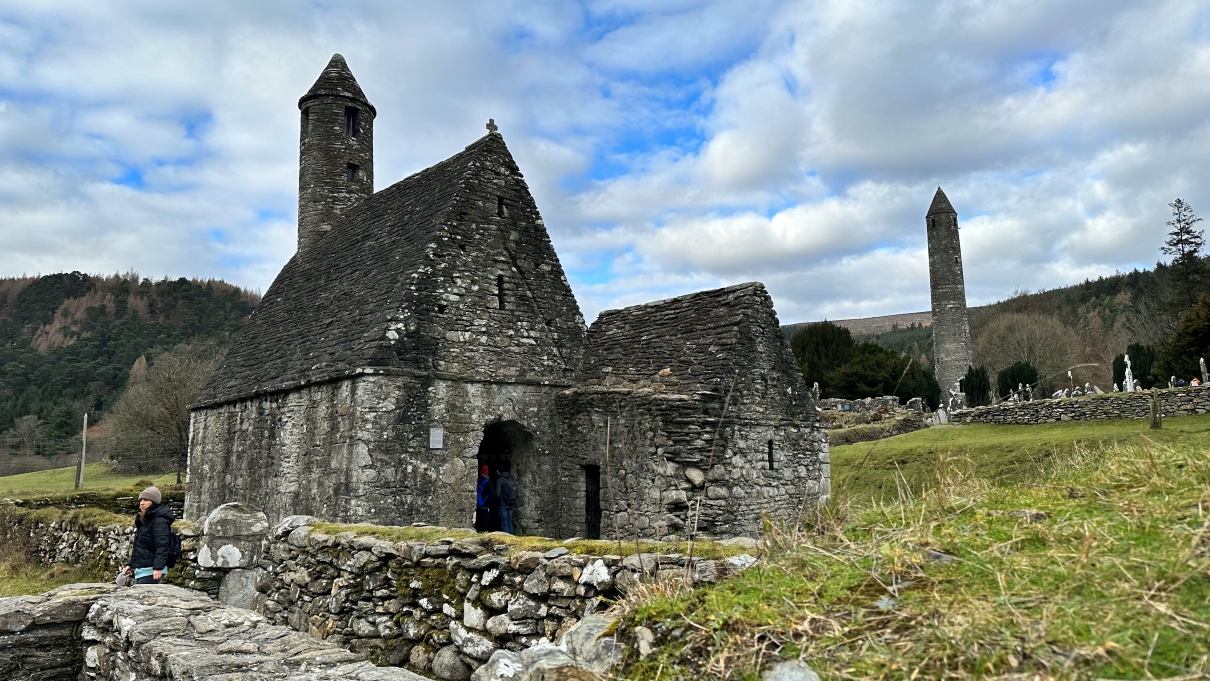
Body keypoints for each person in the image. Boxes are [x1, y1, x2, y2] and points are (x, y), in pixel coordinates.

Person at [122, 486, 174, 584]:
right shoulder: (145, 520)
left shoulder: (159, 521)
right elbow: (140, 546)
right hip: (143, 570)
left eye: (146, 500)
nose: (142, 503)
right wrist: (131, 564)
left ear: (154, 502)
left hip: (151, 571)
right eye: (141, 500)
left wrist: (158, 567)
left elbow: (162, 545)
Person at [495, 463, 518, 534]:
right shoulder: (511, 479)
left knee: (504, 523)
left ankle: (507, 540)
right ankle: (512, 538)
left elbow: (498, 494)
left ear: (498, 471)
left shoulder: (499, 480)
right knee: (509, 522)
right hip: (511, 503)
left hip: (503, 504)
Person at [474, 465, 497, 532]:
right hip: (486, 505)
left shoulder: (477, 480)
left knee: (479, 519)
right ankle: (485, 531)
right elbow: (492, 495)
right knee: (485, 520)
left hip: (478, 504)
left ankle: (479, 530)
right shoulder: (488, 482)